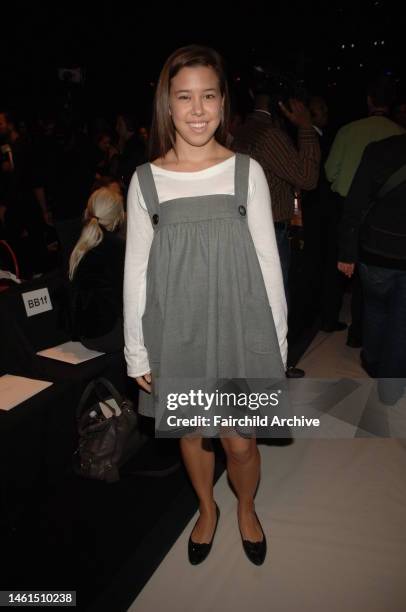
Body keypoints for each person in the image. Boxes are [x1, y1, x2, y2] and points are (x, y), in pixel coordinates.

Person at [123, 45, 288, 566]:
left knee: (239, 442)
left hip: (240, 329)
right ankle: (206, 508)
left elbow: (268, 264)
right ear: (167, 106)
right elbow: (136, 272)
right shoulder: (146, 181)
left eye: (208, 96)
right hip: (176, 330)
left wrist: (276, 347)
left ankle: (244, 506)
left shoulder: (247, 172)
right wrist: (136, 352)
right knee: (192, 434)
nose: (197, 110)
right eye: (184, 97)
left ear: (222, 102)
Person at [325, 75, 404, 347]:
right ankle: (370, 343)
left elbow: (330, 173)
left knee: (353, 275)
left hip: (350, 211)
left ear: (369, 101)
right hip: (386, 220)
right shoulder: (398, 134)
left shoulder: (348, 130)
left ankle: (352, 333)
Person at [337, 134, 406, 395]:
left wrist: (346, 253)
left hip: (375, 251)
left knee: (375, 310)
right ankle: (390, 388)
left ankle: (374, 365)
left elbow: (354, 204)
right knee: (401, 322)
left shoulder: (379, 149)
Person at [69, 186, 125, 353]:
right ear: (119, 216)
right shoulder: (117, 247)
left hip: (85, 335)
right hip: (109, 335)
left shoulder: (81, 245)